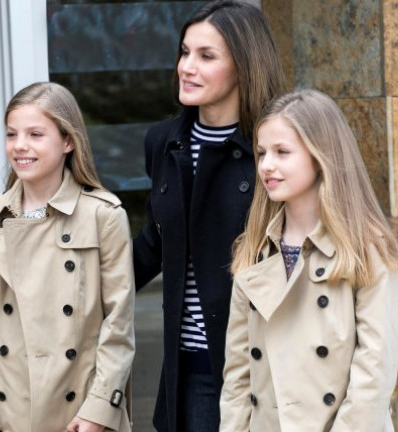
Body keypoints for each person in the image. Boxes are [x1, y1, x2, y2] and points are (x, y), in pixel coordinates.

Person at [220, 89, 398, 431]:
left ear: (320, 156)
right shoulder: (253, 251)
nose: (266, 165)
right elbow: (238, 377)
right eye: (261, 152)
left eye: (282, 152)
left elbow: (374, 376)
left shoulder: (365, 250)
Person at [133, 1, 285, 430]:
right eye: (184, 52)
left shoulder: (273, 147)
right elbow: (155, 243)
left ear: (244, 65)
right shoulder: (164, 142)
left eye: (206, 56)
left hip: (260, 366)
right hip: (188, 369)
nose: (187, 67)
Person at [0, 82, 135, 432]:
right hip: (5, 416)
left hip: (79, 413)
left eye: (35, 134)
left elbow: (118, 327)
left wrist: (98, 411)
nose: (20, 145)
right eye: (11, 134)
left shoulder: (104, 216)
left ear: (68, 141)